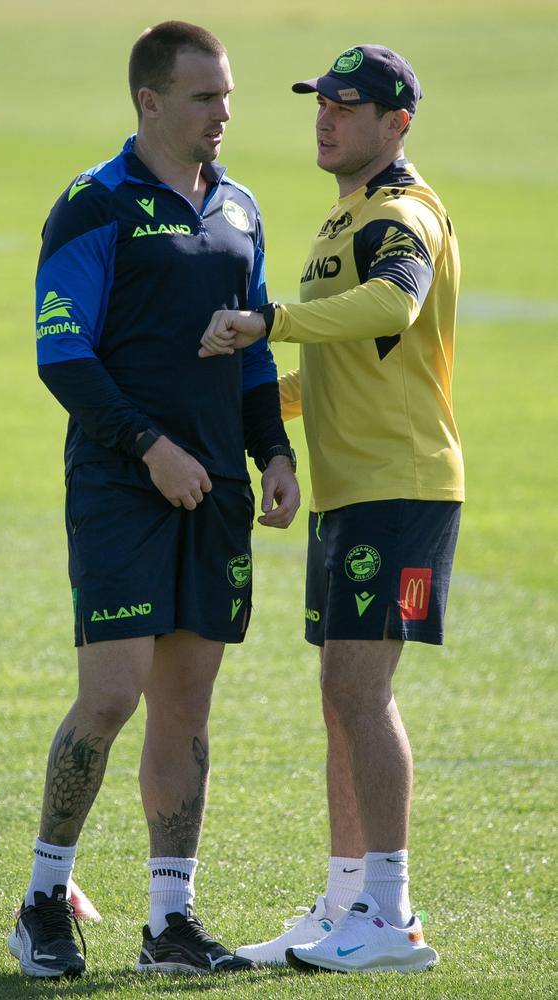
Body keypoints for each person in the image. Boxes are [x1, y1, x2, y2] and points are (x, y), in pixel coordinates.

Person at [8, 20, 299, 980]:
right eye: (205, 96)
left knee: (187, 703)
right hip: (124, 483)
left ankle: (170, 922)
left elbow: (254, 348)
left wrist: (273, 454)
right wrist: (150, 449)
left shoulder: (241, 208)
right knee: (113, 693)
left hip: (214, 489)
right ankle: (44, 900)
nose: (225, 113)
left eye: (227, 95)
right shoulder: (94, 206)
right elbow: (62, 355)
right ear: (150, 100)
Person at [199, 43, 463, 974]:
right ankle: (347, 900)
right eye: (322, 101)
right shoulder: (341, 218)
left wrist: (269, 320)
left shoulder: (401, 215)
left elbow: (391, 305)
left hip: (403, 485)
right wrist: (253, 412)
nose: (327, 116)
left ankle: (390, 917)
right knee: (338, 696)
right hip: (353, 491)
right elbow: (338, 365)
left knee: (361, 689)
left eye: (348, 106)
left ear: (397, 124)